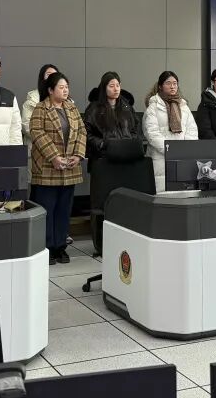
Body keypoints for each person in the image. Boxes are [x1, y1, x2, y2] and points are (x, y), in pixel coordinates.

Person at [29, 72, 86, 265]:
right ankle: (47, 248)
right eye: (61, 87)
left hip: (69, 167)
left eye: (67, 87)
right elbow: (37, 133)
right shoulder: (41, 108)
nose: (65, 90)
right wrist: (54, 157)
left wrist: (78, 155)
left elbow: (82, 131)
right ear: (50, 90)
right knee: (47, 209)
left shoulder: (72, 107)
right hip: (47, 168)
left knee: (63, 209)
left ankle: (60, 247)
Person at [142, 71, 199, 193]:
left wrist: (185, 150)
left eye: (175, 83)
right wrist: (171, 150)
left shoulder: (183, 106)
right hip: (160, 158)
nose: (172, 86)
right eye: (168, 83)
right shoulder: (153, 107)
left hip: (182, 157)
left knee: (182, 194)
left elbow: (192, 130)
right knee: (162, 195)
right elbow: (152, 134)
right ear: (160, 86)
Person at [83, 71, 139, 162]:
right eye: (111, 86)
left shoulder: (127, 107)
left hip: (126, 155)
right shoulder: (94, 109)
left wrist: (130, 141)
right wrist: (102, 144)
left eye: (118, 85)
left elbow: (135, 128)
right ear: (104, 87)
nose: (116, 89)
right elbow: (86, 133)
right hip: (103, 157)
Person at [22, 64, 59, 140]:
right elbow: (27, 127)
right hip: (38, 144)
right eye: (49, 74)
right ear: (42, 77)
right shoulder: (31, 102)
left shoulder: (66, 101)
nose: (52, 77)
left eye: (55, 75)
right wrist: (48, 141)